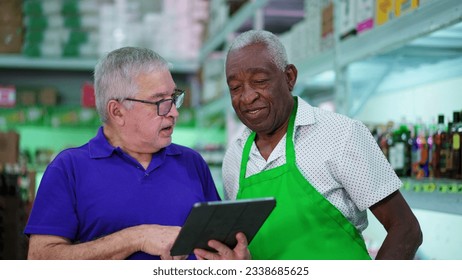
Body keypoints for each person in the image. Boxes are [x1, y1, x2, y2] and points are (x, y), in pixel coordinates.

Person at [196, 30, 423, 260]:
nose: (247, 97)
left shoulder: (341, 134)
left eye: (260, 81)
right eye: (235, 87)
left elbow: (406, 229)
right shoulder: (234, 157)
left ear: (289, 77)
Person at [24, 47, 249, 260]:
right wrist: (136, 237)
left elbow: (216, 247)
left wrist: (234, 261)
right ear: (117, 111)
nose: (174, 112)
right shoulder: (68, 168)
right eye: (160, 101)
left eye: (174, 98)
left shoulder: (192, 163)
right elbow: (41, 259)